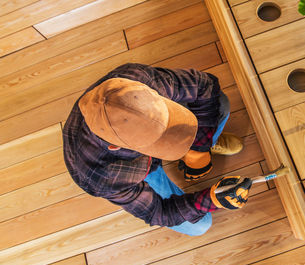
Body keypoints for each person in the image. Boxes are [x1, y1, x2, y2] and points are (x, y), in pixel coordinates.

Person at [63, 63, 252, 236]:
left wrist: (199, 148)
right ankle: (203, 139)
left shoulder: (134, 81)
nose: (177, 142)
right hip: (135, 171)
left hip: (138, 142)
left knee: (221, 103)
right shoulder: (102, 177)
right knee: (199, 226)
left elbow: (205, 86)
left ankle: (206, 141)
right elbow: (159, 212)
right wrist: (212, 199)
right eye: (158, 142)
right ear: (115, 146)